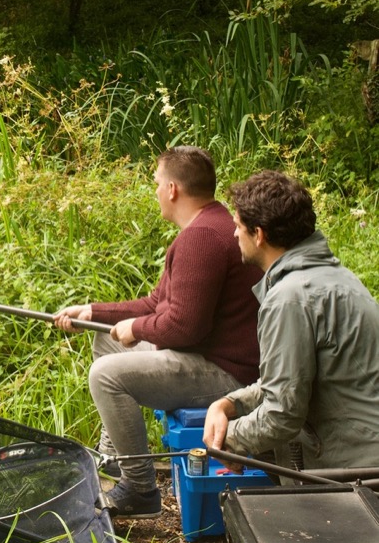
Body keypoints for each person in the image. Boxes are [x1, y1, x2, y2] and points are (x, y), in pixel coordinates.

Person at [54, 145, 263, 519]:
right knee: (104, 336)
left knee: (105, 376)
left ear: (172, 189)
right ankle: (117, 457)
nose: (154, 191)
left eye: (155, 183)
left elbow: (183, 327)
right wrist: (93, 312)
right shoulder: (208, 226)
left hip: (228, 374)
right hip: (207, 355)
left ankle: (139, 488)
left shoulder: (201, 239)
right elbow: (158, 303)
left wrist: (136, 329)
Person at [203, 171, 379, 473]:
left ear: (259, 235)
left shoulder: (290, 298)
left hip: (355, 474)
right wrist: (230, 404)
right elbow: (289, 379)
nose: (234, 235)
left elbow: (281, 416)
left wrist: (224, 441)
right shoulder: (337, 277)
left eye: (238, 227)